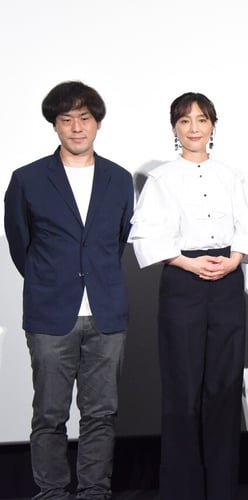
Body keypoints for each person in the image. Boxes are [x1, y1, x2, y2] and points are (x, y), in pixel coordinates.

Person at [128, 92, 248, 500]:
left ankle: (222, 489)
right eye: (185, 121)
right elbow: (147, 236)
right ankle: (182, 490)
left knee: (224, 389)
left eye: (201, 120)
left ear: (212, 126)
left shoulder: (231, 175)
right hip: (182, 283)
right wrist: (187, 263)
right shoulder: (162, 178)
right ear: (174, 128)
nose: (194, 128)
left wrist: (233, 260)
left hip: (226, 283)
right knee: (182, 390)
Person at [4, 81, 134, 500]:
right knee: (49, 414)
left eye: (84, 118)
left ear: (97, 123)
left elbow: (117, 241)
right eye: (66, 120)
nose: (77, 128)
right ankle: (52, 493)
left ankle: (94, 492)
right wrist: (50, 281)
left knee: (101, 414)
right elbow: (20, 243)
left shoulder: (119, 179)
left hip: (106, 313)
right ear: (55, 125)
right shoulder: (27, 179)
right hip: (50, 314)